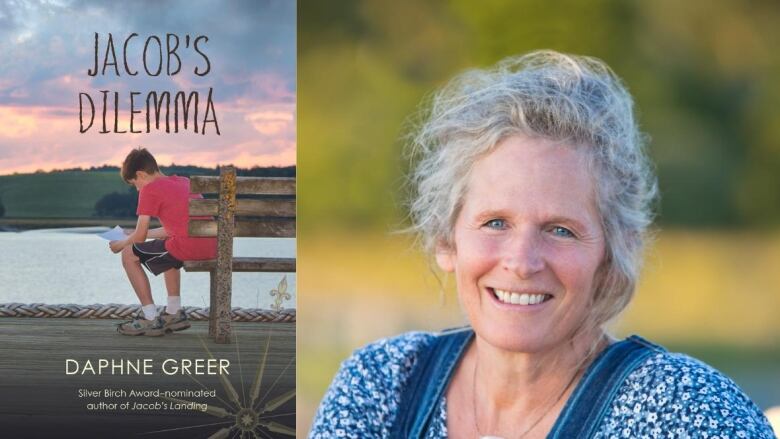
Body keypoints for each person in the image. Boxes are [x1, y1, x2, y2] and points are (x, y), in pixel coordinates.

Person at [309, 51, 776, 438]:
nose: (521, 261)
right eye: (495, 222)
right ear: (446, 240)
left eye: (560, 230)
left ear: (613, 254)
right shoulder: (383, 386)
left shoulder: (685, 412)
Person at [109, 147, 217, 336]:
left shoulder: (149, 190)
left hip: (188, 247)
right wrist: (131, 233)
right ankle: (174, 313)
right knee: (168, 242)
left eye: (135, 183)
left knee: (129, 255)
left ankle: (150, 317)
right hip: (212, 245)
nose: (137, 189)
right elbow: (174, 228)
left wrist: (119, 245)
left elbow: (140, 237)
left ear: (140, 174)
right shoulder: (184, 182)